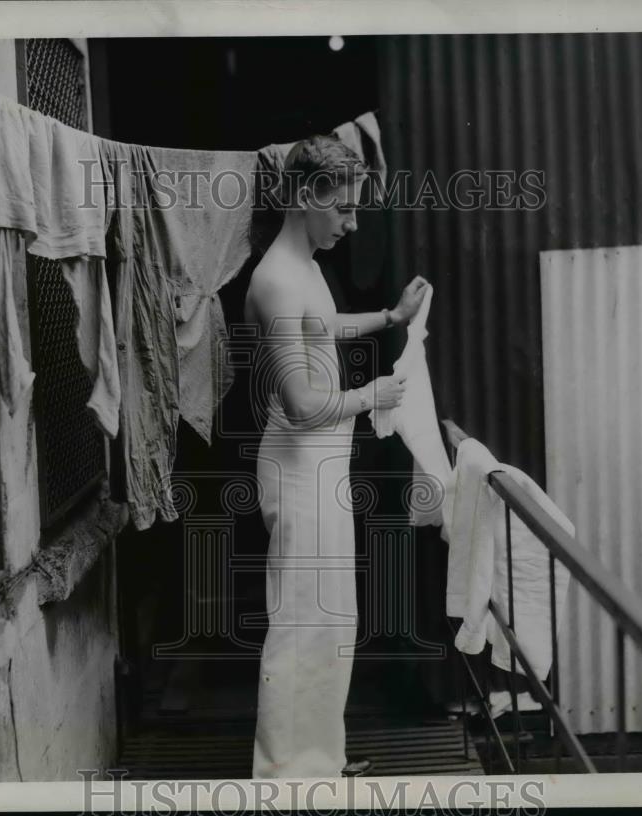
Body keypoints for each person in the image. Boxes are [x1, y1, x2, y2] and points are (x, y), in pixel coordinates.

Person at [244, 133, 428, 778]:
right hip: (297, 463)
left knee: (330, 620)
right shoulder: (274, 281)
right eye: (343, 209)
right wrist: (368, 394)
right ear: (303, 197)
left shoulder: (306, 269)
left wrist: (388, 315)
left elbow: (323, 326)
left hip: (321, 463)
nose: (352, 223)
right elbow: (299, 403)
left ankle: (318, 762)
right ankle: (282, 777)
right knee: (301, 624)